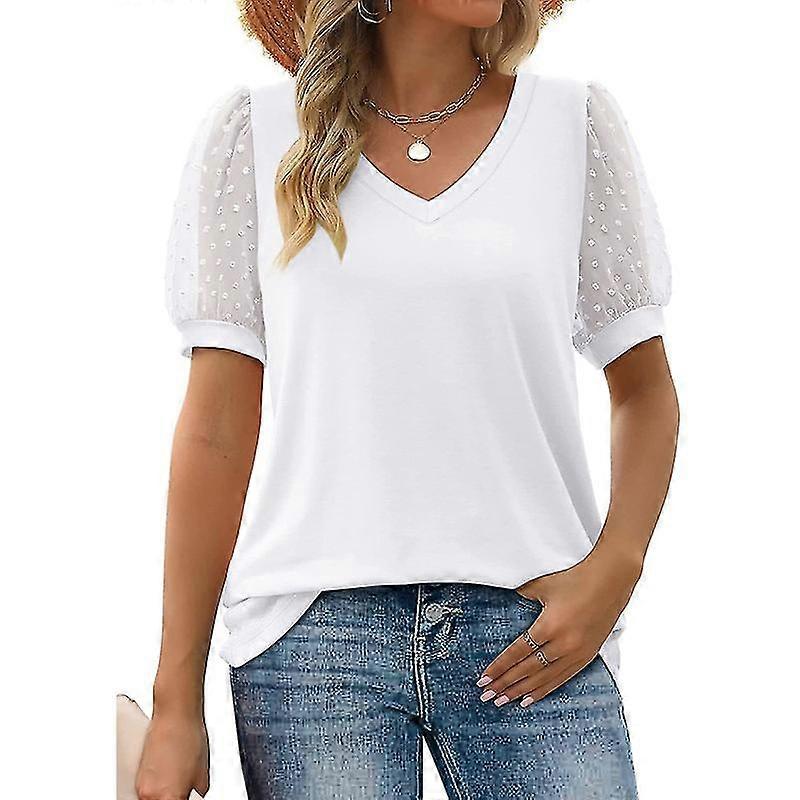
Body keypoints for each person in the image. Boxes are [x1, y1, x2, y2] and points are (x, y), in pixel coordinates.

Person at [135, 0, 680, 797]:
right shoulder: (253, 135)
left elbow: (644, 388)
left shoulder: (574, 125)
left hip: (535, 628)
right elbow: (216, 429)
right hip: (313, 640)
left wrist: (617, 567)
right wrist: (174, 699)